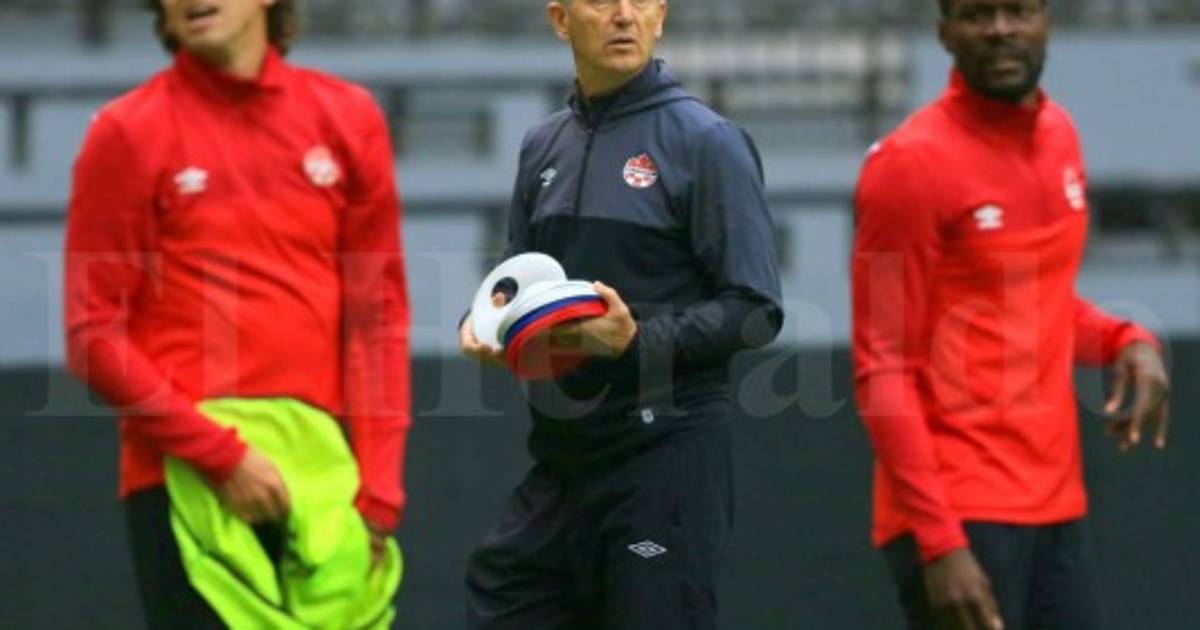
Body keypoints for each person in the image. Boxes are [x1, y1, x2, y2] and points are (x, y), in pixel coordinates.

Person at [63, 0, 411, 626]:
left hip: (326, 488)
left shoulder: (348, 116)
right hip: (186, 481)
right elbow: (92, 334)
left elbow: (377, 320)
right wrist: (223, 459)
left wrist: (379, 494)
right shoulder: (126, 131)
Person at [458, 0, 783, 627]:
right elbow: (514, 279)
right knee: (500, 592)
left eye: (641, 2)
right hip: (562, 456)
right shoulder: (541, 144)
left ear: (661, 17)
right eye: (603, 1)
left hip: (663, 459)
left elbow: (756, 308)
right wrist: (483, 324)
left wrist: (636, 341)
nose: (624, 16)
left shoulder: (707, 141)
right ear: (561, 20)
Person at [851, 1, 1171, 629]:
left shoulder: (1061, 136)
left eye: (1017, 10)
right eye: (977, 14)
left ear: (1045, 19)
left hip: (1057, 510)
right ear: (945, 32)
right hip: (958, 516)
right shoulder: (907, 166)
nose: (1000, 29)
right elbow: (881, 369)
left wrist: (1124, 339)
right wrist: (939, 542)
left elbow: (1034, 306)